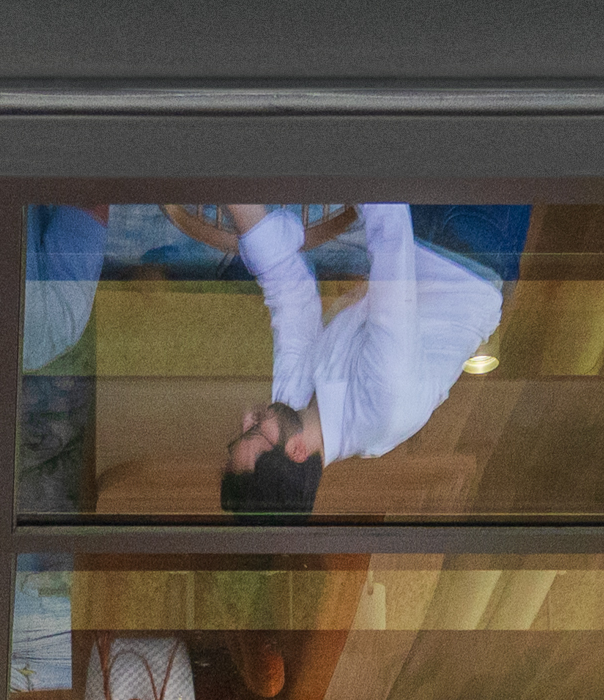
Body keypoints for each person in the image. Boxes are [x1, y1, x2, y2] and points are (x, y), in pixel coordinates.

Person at [209, 201, 531, 510]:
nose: (247, 417)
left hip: (418, 235)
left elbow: (291, 297)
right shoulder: (383, 410)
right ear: (297, 451)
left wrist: (238, 200)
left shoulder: (290, 407)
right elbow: (392, 240)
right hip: (474, 243)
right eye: (253, 432)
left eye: (240, 433)